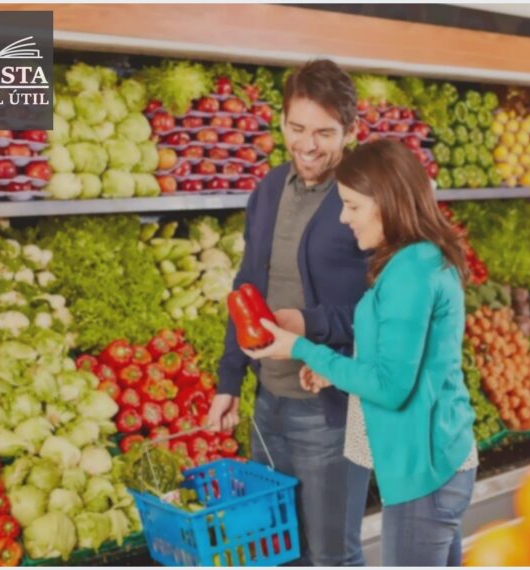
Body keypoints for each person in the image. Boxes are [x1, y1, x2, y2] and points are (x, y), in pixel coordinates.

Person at [245, 139, 479, 567]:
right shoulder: (416, 259)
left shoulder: (410, 272)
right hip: (436, 459)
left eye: (352, 206)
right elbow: (401, 357)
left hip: (421, 473)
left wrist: (299, 349)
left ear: (387, 202)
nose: (343, 217)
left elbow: (391, 388)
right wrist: (335, 371)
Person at [205, 59, 369, 566]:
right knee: (278, 552)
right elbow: (246, 287)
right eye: (297, 128)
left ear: (351, 132)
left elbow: (381, 313)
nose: (309, 144)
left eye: (325, 132)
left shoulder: (366, 198)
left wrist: (310, 326)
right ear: (281, 123)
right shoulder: (271, 188)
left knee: (331, 557)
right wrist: (230, 379)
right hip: (268, 404)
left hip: (333, 411)